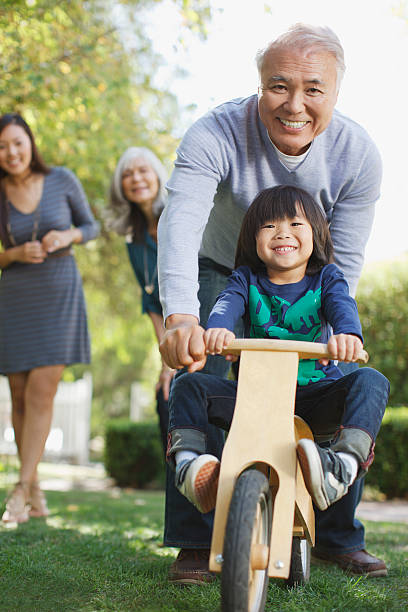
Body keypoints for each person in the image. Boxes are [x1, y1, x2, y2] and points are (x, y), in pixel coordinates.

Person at [158, 24, 386, 582]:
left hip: (313, 279)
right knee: (199, 370)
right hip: (222, 268)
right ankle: (196, 536)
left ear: (335, 91)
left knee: (336, 384)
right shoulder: (216, 131)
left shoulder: (357, 154)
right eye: (278, 86)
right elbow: (182, 218)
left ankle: (335, 533)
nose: (295, 104)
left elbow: (343, 264)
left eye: (314, 89)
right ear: (259, 84)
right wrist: (182, 313)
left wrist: (337, 332)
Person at [166, 186, 389, 544]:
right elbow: (226, 304)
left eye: (295, 223)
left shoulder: (327, 278)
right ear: (253, 238)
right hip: (256, 399)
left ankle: (342, 467)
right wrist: (218, 329)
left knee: (371, 381)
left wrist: (348, 335)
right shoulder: (245, 280)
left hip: (315, 398)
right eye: (268, 226)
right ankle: (191, 467)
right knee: (189, 384)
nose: (282, 232)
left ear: (315, 233)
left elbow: (342, 306)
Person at [0, 113, 99, 523]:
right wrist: (14, 254)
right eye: (2, 147)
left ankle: (19, 490)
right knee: (20, 395)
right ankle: (35, 487)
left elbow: (91, 226)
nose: (11, 153)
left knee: (42, 389)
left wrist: (68, 236)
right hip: (17, 297)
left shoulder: (61, 179)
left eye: (17, 143)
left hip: (59, 293)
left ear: (30, 142)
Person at [107, 146, 176, 453]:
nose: (136, 179)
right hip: (173, 335)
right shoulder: (133, 239)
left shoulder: (177, 215)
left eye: (143, 170)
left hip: (208, 324)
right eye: (127, 174)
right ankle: (185, 487)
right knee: (165, 396)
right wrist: (167, 362)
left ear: (158, 175)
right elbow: (152, 306)